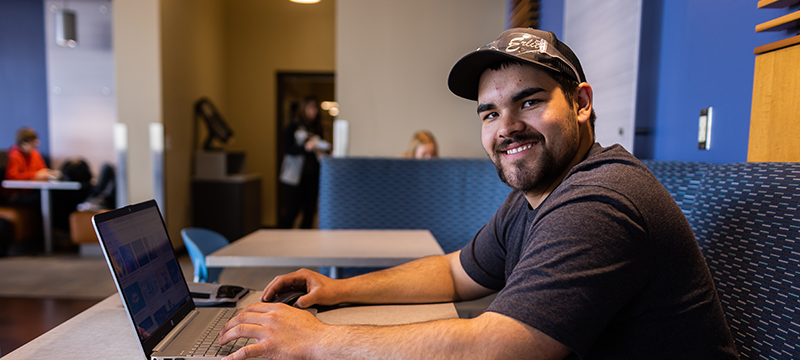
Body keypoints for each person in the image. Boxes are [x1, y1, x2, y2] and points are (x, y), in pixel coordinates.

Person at [218, 28, 738, 359]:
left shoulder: (600, 199)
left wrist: (319, 341)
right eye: (490, 113)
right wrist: (337, 291)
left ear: (581, 103)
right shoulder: (535, 195)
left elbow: (500, 346)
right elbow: (454, 272)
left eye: (529, 101)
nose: (506, 127)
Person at [278, 96, 330, 229]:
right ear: (304, 109)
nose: (314, 111)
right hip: (294, 176)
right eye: (311, 108)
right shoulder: (293, 126)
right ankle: (281, 239)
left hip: (312, 176)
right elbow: (288, 149)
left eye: (315, 108)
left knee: (309, 212)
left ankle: (305, 243)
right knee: (292, 210)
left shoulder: (316, 128)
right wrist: (305, 147)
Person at [4, 127, 61, 206]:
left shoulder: (35, 154)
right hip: (19, 194)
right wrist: (35, 175)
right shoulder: (14, 156)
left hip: (34, 189)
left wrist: (49, 174)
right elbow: (12, 178)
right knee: (43, 199)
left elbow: (42, 171)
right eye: (32, 143)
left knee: (56, 195)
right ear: (23, 144)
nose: (36, 145)